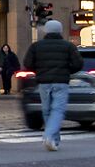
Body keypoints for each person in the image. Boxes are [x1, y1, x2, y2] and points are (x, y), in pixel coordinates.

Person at [24, 19, 83, 150]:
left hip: (43, 82)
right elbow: (78, 64)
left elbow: (28, 63)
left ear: (46, 31)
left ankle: (53, 140)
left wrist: (39, 71)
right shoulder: (68, 46)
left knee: (47, 110)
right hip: (61, 82)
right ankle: (50, 136)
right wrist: (67, 71)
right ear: (60, 31)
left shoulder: (36, 46)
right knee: (58, 110)